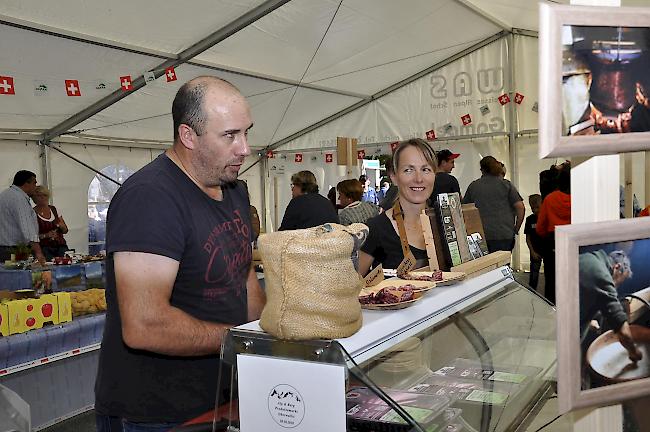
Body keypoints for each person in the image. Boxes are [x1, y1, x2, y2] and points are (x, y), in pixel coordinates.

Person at [94, 76, 266, 431]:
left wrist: (268, 337)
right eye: (230, 135)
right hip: (157, 415)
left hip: (223, 396)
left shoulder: (233, 188)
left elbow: (243, 275)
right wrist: (242, 340)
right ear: (188, 136)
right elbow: (144, 326)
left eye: (246, 132)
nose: (245, 149)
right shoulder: (150, 198)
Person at [359, 139, 437, 274]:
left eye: (425, 169)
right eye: (408, 170)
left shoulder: (445, 223)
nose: (418, 179)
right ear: (394, 177)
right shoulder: (377, 228)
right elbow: (352, 286)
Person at [579, 249, 641, 362]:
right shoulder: (602, 277)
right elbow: (623, 331)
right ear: (617, 267)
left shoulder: (588, 258)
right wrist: (634, 352)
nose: (615, 286)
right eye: (618, 281)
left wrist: (588, 321)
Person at [462, 156, 525, 253]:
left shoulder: (473, 186)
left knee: (484, 266)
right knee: (503, 266)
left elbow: (464, 209)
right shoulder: (506, 185)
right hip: (504, 233)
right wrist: (516, 228)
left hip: (480, 235)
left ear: (481, 169)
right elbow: (520, 207)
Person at [536, 166, 571, 304]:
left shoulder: (550, 198)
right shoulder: (581, 197)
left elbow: (540, 227)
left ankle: (552, 310)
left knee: (551, 280)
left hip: (553, 242)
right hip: (574, 242)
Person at [0, 170, 46, 264]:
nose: (35, 186)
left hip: (3, 249)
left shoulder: (5, 195)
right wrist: (38, 253)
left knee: (6, 276)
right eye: (34, 183)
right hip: (15, 251)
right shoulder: (19, 199)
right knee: (19, 276)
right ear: (26, 183)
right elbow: (28, 230)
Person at [33, 185, 69, 260]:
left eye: (45, 195)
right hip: (44, 249)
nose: (43, 198)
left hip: (61, 247)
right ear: (34, 198)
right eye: (39, 196)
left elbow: (65, 231)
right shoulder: (32, 213)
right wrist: (46, 235)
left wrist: (62, 227)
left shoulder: (54, 209)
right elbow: (31, 236)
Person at [524, 194, 543, 290]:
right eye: (532, 208)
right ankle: (532, 292)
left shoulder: (547, 218)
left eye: (537, 207)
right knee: (534, 275)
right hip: (535, 250)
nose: (535, 210)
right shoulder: (530, 219)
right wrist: (532, 251)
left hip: (547, 249)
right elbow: (528, 238)